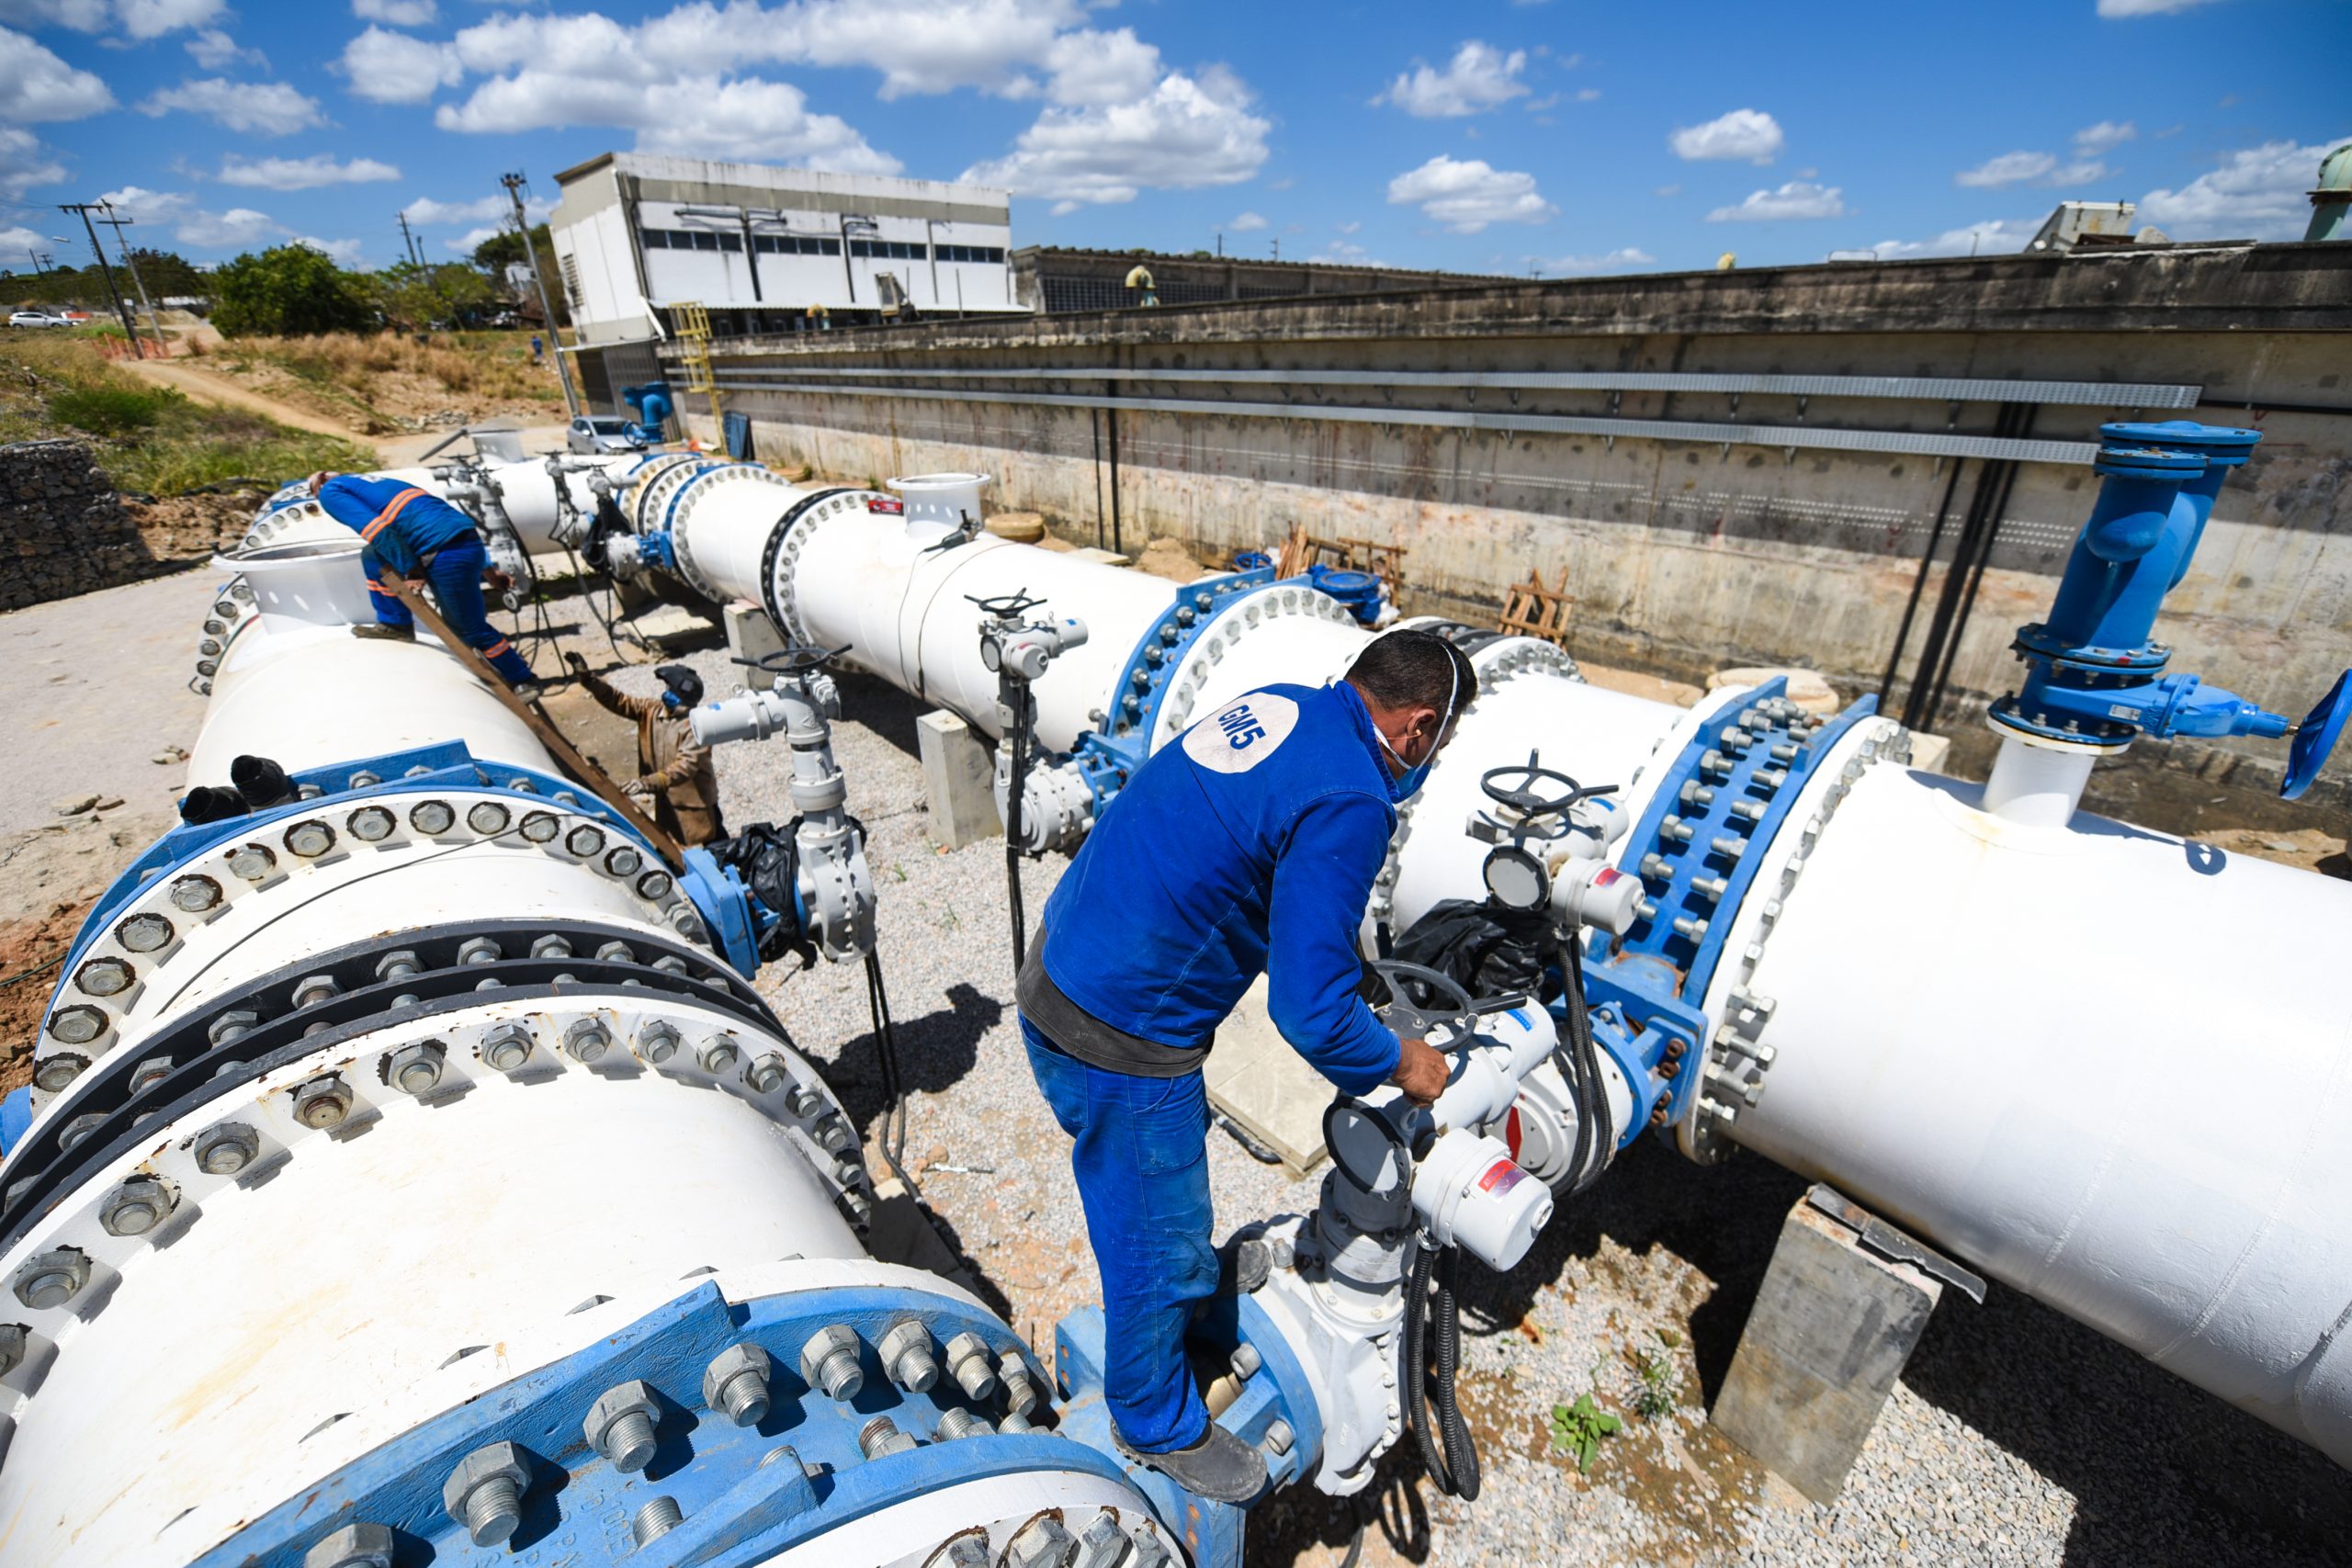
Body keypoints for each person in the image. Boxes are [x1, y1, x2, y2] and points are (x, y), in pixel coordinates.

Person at [1018, 629, 1470, 1502]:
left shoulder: (1291, 706)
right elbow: (1308, 1015)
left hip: (1068, 955)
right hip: (1119, 1036)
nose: (1429, 761)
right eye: (1438, 746)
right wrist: (1401, 1061)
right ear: (1417, 728)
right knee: (1152, 1225)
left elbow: (1237, 859)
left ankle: (1199, 1286)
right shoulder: (1355, 800)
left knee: (1171, 1210)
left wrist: (1337, 957)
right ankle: (1152, 1419)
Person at [308, 472, 537, 694]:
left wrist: (412, 571)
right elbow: (441, 520)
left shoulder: (330, 491)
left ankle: (523, 679)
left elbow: (378, 531)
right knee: (372, 557)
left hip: (445, 553)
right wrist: (488, 571)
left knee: (467, 628)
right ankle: (395, 623)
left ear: (318, 486)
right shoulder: (373, 484)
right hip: (463, 542)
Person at [564, 653, 727, 846]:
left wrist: (647, 783)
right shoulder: (652, 710)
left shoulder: (697, 727)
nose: (667, 693)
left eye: (671, 690)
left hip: (692, 806)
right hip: (666, 800)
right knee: (672, 847)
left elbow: (686, 766)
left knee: (709, 849)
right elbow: (618, 700)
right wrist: (589, 680)